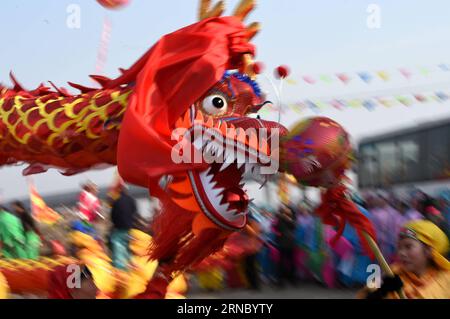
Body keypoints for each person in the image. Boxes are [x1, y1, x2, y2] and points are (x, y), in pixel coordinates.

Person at [360, 220, 450, 299]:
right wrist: (381, 292)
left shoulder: (446, 279)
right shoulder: (390, 275)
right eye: (399, 247)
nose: (401, 253)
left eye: (408, 247)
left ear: (428, 251)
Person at [109, 187, 138, 269]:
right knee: (127, 246)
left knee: (117, 243)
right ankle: (131, 264)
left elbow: (113, 215)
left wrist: (115, 225)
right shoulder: (131, 200)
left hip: (119, 227)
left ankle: (120, 266)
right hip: (129, 227)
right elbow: (134, 211)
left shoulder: (116, 201)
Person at [273, 205, 297, 287]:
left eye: (288, 210)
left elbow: (294, 226)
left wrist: (288, 218)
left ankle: (292, 279)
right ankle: (280, 281)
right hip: (281, 243)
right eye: (285, 209)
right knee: (281, 263)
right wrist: (279, 218)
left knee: (291, 262)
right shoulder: (279, 218)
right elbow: (275, 227)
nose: (286, 211)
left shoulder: (293, 218)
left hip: (290, 243)